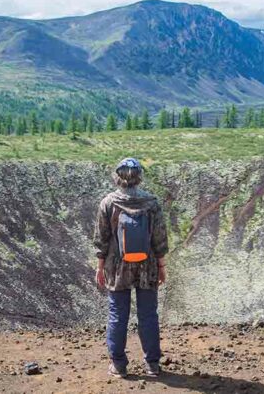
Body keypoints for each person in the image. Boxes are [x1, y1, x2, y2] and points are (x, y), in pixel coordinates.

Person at [93, 157, 169, 378]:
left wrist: (100, 266)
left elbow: (102, 239)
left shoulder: (108, 203)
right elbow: (159, 238)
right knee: (148, 315)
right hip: (147, 266)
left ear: (117, 177)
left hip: (117, 268)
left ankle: (118, 365)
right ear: (139, 177)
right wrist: (161, 265)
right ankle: (152, 365)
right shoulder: (151, 203)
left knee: (118, 315)